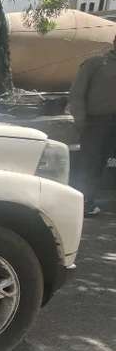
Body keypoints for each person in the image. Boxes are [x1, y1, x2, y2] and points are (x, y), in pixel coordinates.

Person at [69, 34, 116, 217]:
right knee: (91, 164)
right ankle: (83, 203)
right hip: (97, 122)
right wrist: (81, 121)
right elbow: (77, 94)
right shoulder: (95, 64)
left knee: (102, 165)